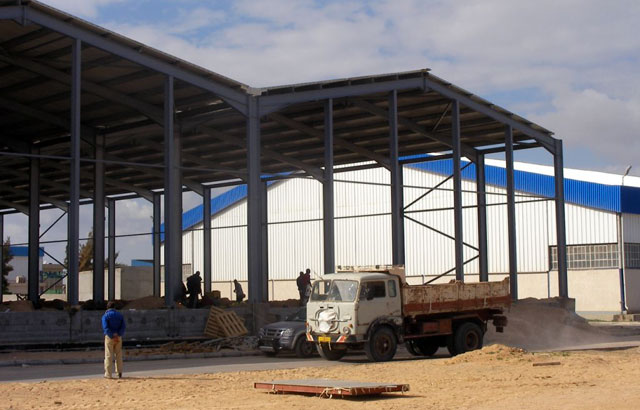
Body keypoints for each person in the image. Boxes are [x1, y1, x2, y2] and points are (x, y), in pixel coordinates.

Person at [102, 301, 126, 379]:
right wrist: (118, 334)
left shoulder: (105, 316)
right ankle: (119, 372)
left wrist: (112, 335)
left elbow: (105, 328)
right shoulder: (120, 315)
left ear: (107, 307)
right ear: (115, 307)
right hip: (118, 337)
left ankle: (108, 374)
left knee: (109, 355)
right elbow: (123, 327)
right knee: (118, 355)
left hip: (109, 337)